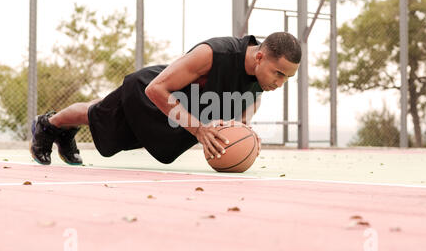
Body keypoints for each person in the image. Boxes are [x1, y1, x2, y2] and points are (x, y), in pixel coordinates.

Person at [29, 32, 301, 166]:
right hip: (149, 94)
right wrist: (198, 128)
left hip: (178, 119)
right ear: (260, 56)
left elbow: (239, 120)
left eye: (287, 78)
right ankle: (49, 124)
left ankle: (62, 131)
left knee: (104, 123)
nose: (280, 83)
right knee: (97, 116)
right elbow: (156, 90)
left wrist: (246, 136)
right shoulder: (214, 53)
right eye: (278, 73)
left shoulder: (259, 86)